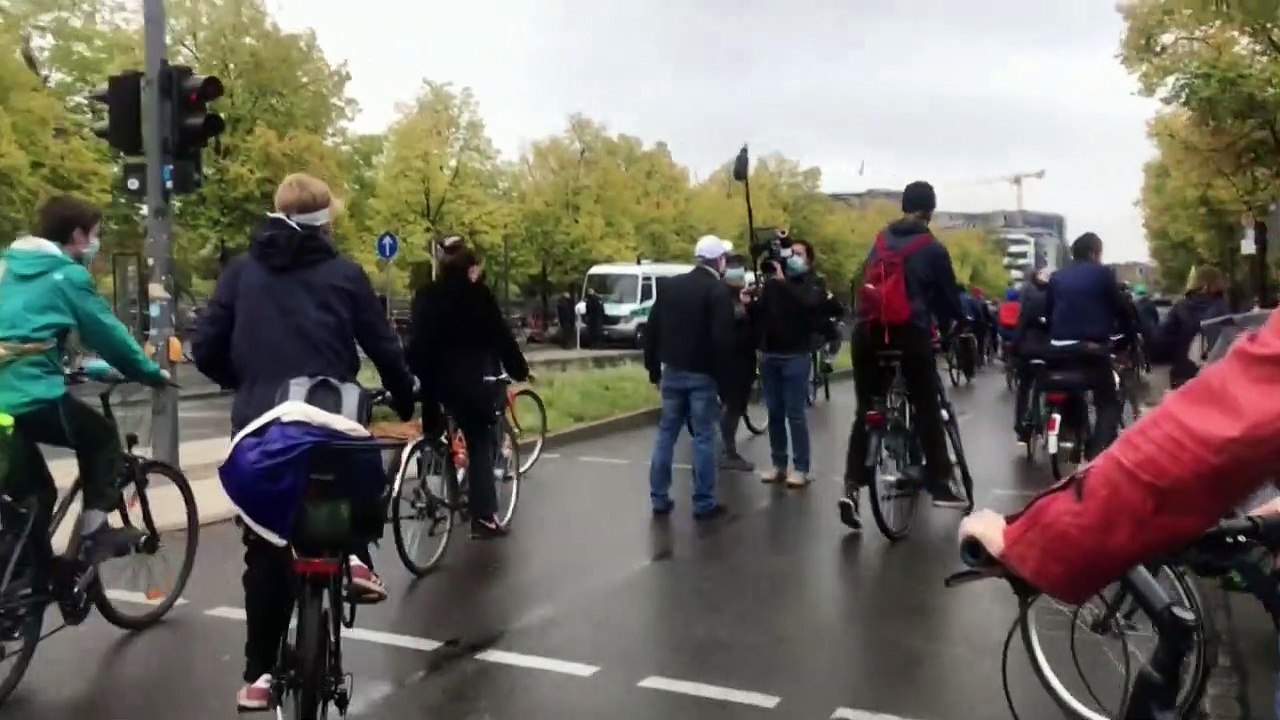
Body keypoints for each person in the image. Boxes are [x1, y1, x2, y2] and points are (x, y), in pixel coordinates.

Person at [189, 173, 417, 711]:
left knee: (266, 548)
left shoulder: (241, 272)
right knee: (353, 472)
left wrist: (243, 380)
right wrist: (406, 397)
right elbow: (383, 345)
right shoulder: (344, 273)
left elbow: (205, 346)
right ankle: (358, 556)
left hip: (262, 422)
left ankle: (259, 676)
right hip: (328, 413)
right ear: (326, 221)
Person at [958, 307, 1280, 609]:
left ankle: (1025, 430)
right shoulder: (1107, 287)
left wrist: (1028, 541)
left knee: (1034, 384)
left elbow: (1220, 430)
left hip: (1046, 356)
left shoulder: (1048, 289)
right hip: (1092, 356)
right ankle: (1094, 446)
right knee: (1108, 403)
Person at [0, 195, 170, 563]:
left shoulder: (4, 267)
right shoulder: (66, 276)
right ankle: (94, 532)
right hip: (30, 396)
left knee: (34, 496)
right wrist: (149, 372)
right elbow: (107, 334)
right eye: (95, 235)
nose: (96, 244)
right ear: (78, 235)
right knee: (101, 438)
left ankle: (24, 585)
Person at [843, 181, 968, 532]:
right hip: (909, 332)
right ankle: (941, 480)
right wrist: (954, 327)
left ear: (902, 206)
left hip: (867, 333)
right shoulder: (931, 247)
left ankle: (851, 487)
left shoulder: (879, 241)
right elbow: (947, 301)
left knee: (867, 409)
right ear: (930, 209)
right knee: (926, 402)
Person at [407, 240, 530, 538]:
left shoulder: (425, 295)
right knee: (479, 440)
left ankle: (432, 494)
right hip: (467, 383)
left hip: (431, 381)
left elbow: (416, 341)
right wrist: (519, 370)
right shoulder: (477, 296)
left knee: (434, 432)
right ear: (470, 269)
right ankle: (484, 518)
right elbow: (501, 336)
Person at [644, 235, 735, 518]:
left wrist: (653, 369)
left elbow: (652, 329)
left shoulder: (670, 286)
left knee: (666, 435)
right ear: (719, 260)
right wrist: (726, 384)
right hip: (703, 376)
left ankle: (659, 498)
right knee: (704, 437)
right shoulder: (717, 292)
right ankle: (703, 501)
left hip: (672, 372)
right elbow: (723, 340)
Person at [1042, 232, 1136, 460]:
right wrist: (1127, 337)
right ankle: (1096, 451)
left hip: (1059, 348)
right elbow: (1120, 309)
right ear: (1095, 253)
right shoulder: (1103, 275)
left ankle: (1075, 431)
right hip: (1091, 348)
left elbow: (1048, 311)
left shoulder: (1057, 277)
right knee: (1108, 401)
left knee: (1072, 388)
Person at [750, 236, 829, 487]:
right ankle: (778, 464)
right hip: (769, 353)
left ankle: (801, 467)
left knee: (795, 413)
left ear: (808, 259)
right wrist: (750, 304)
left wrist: (784, 283)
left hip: (795, 354)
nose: (791, 258)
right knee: (774, 412)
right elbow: (761, 312)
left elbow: (809, 303)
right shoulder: (773, 283)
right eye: (789, 253)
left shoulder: (812, 283)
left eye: (798, 254)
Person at [1149, 266, 1230, 389]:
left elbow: (1160, 343)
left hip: (1183, 375)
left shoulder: (1180, 307)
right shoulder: (1224, 308)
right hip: (1218, 376)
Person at [718, 253, 758, 471]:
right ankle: (728, 451)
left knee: (732, 405)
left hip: (739, 359)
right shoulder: (723, 296)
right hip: (734, 360)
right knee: (733, 406)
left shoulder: (741, 295)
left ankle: (726, 448)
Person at [1012, 269, 1052, 442]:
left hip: (1028, 350)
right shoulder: (1055, 301)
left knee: (1024, 387)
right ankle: (1045, 416)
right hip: (1048, 351)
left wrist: (1015, 348)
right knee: (1047, 384)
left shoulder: (1030, 300)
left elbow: (1021, 326)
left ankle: (1021, 424)